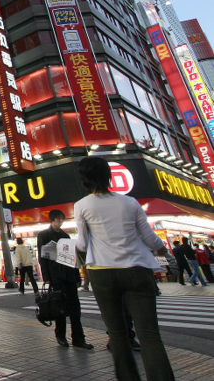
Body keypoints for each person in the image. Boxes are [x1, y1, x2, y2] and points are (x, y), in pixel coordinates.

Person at [75, 156, 173, 381]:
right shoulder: (130, 202)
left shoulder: (82, 205)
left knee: (117, 334)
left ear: (84, 179)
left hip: (102, 273)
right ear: (109, 175)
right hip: (137, 270)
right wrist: (162, 251)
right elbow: (149, 237)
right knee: (149, 334)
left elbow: (81, 244)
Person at [37, 209, 93, 350]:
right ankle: (60, 335)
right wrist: (46, 277)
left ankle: (78, 338)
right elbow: (42, 257)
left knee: (75, 308)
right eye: (58, 219)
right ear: (52, 219)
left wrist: (77, 276)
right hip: (56, 276)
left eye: (62, 219)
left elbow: (72, 258)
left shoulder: (65, 236)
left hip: (69, 275)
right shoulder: (43, 235)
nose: (60, 221)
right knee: (59, 307)